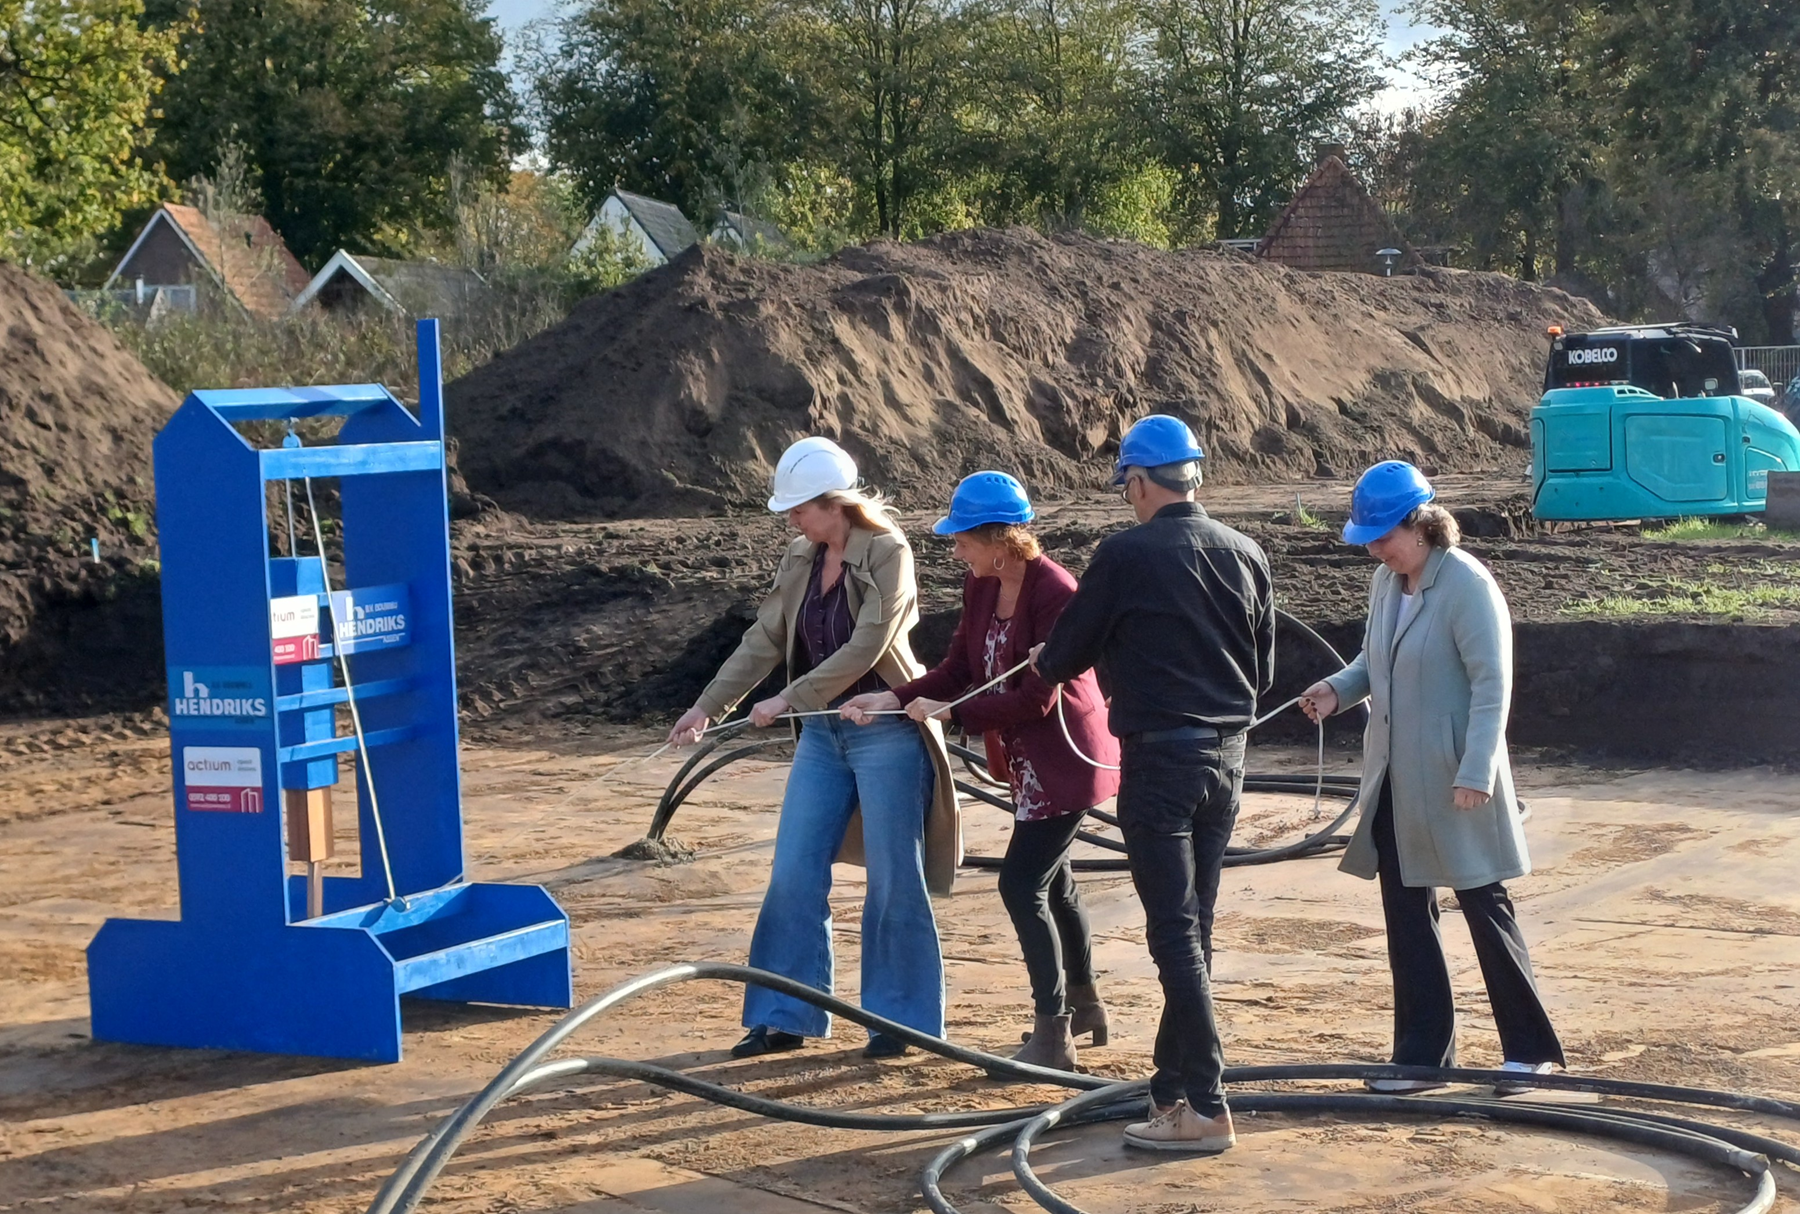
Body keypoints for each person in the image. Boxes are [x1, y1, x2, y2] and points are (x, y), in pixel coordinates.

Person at [668, 436, 960, 1060]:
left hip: (885, 730)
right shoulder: (801, 556)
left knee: (894, 879)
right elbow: (765, 637)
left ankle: (901, 1023)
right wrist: (707, 705)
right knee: (793, 872)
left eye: (799, 510)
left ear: (835, 504)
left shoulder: (889, 551)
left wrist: (787, 698)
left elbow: (869, 644)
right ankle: (783, 1014)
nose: (792, 521)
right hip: (824, 738)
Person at [1032, 415, 1274, 1153]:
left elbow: (1062, 658)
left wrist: (1049, 656)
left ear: (1138, 482)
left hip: (1162, 762)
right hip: (1228, 761)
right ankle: (1172, 1090)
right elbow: (1263, 672)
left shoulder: (1124, 554)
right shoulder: (1246, 551)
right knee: (1194, 928)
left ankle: (1206, 1103)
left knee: (1174, 934)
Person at [1300, 461, 1563, 1095]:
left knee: (1482, 903)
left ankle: (1530, 1052)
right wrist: (1338, 689)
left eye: (1382, 537)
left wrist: (1477, 771)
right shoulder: (1387, 583)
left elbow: (1492, 685)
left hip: (1455, 778)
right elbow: (1376, 658)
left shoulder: (1467, 585)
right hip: (1396, 777)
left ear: (1421, 526)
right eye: (1367, 539)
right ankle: (1422, 1056)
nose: (1373, 549)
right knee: (1407, 915)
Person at [842, 471, 1120, 1072]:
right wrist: (892, 697)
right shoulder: (981, 586)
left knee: (1020, 884)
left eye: (962, 539)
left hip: (1066, 760)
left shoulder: (1056, 592)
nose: (955, 551)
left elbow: (1036, 700)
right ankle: (1085, 1004)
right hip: (1027, 764)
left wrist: (952, 713)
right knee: (1055, 882)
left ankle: (1054, 1034)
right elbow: (960, 667)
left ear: (998, 540)